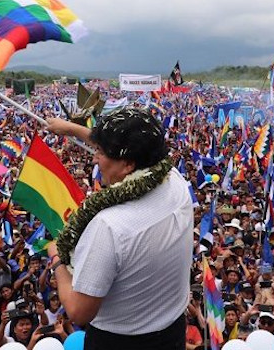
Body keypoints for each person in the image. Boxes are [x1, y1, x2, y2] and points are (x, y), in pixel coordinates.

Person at [45, 108, 194, 350]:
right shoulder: (174, 181)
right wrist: (72, 129)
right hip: (173, 333)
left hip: (120, 343)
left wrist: (57, 260)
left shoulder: (110, 227)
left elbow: (79, 312)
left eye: (100, 153)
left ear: (127, 165)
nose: (94, 158)